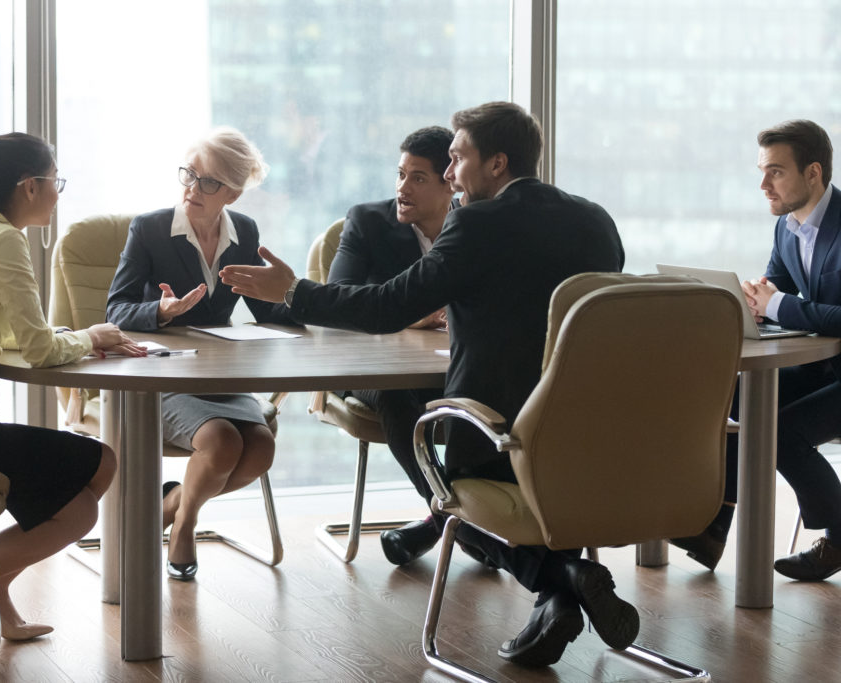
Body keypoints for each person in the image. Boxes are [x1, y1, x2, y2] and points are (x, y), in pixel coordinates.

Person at [221, 102, 637, 667]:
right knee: (430, 447)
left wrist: (293, 292)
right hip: (578, 431)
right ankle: (558, 590)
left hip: (493, 434)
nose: (448, 174)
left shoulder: (477, 223)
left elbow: (388, 307)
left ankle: (565, 576)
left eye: (457, 159)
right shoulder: (596, 220)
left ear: (496, 163)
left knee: (447, 498)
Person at [0, 131, 143, 656]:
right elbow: (38, 351)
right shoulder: (0, 239)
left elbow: (13, 333)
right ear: (31, 186)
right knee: (94, 480)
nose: (59, 193)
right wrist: (91, 336)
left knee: (92, 473)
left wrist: (71, 338)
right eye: (55, 181)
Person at [672, 119, 841, 582]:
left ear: (813, 173)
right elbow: (780, 293)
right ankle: (711, 525)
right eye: (762, 171)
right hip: (828, 370)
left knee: (776, 431)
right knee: (726, 395)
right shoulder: (788, 228)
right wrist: (754, 303)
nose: (763, 184)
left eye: (776, 171)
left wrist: (778, 304)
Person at [106, 126, 294, 581]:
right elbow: (116, 307)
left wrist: (298, 294)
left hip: (221, 372)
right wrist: (161, 311)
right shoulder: (151, 229)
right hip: (163, 373)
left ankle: (172, 504)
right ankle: (185, 524)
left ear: (232, 191)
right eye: (189, 175)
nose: (192, 188)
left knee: (261, 448)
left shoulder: (244, 231)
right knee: (223, 442)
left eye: (207, 182)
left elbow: (265, 307)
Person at [327, 125, 456, 566]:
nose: (402, 188)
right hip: (370, 371)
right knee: (398, 394)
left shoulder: (474, 228)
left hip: (447, 367)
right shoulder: (368, 221)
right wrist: (410, 313)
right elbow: (338, 298)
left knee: (484, 391)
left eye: (418, 178)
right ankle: (459, 516)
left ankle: (444, 522)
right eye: (400, 174)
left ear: (450, 181)